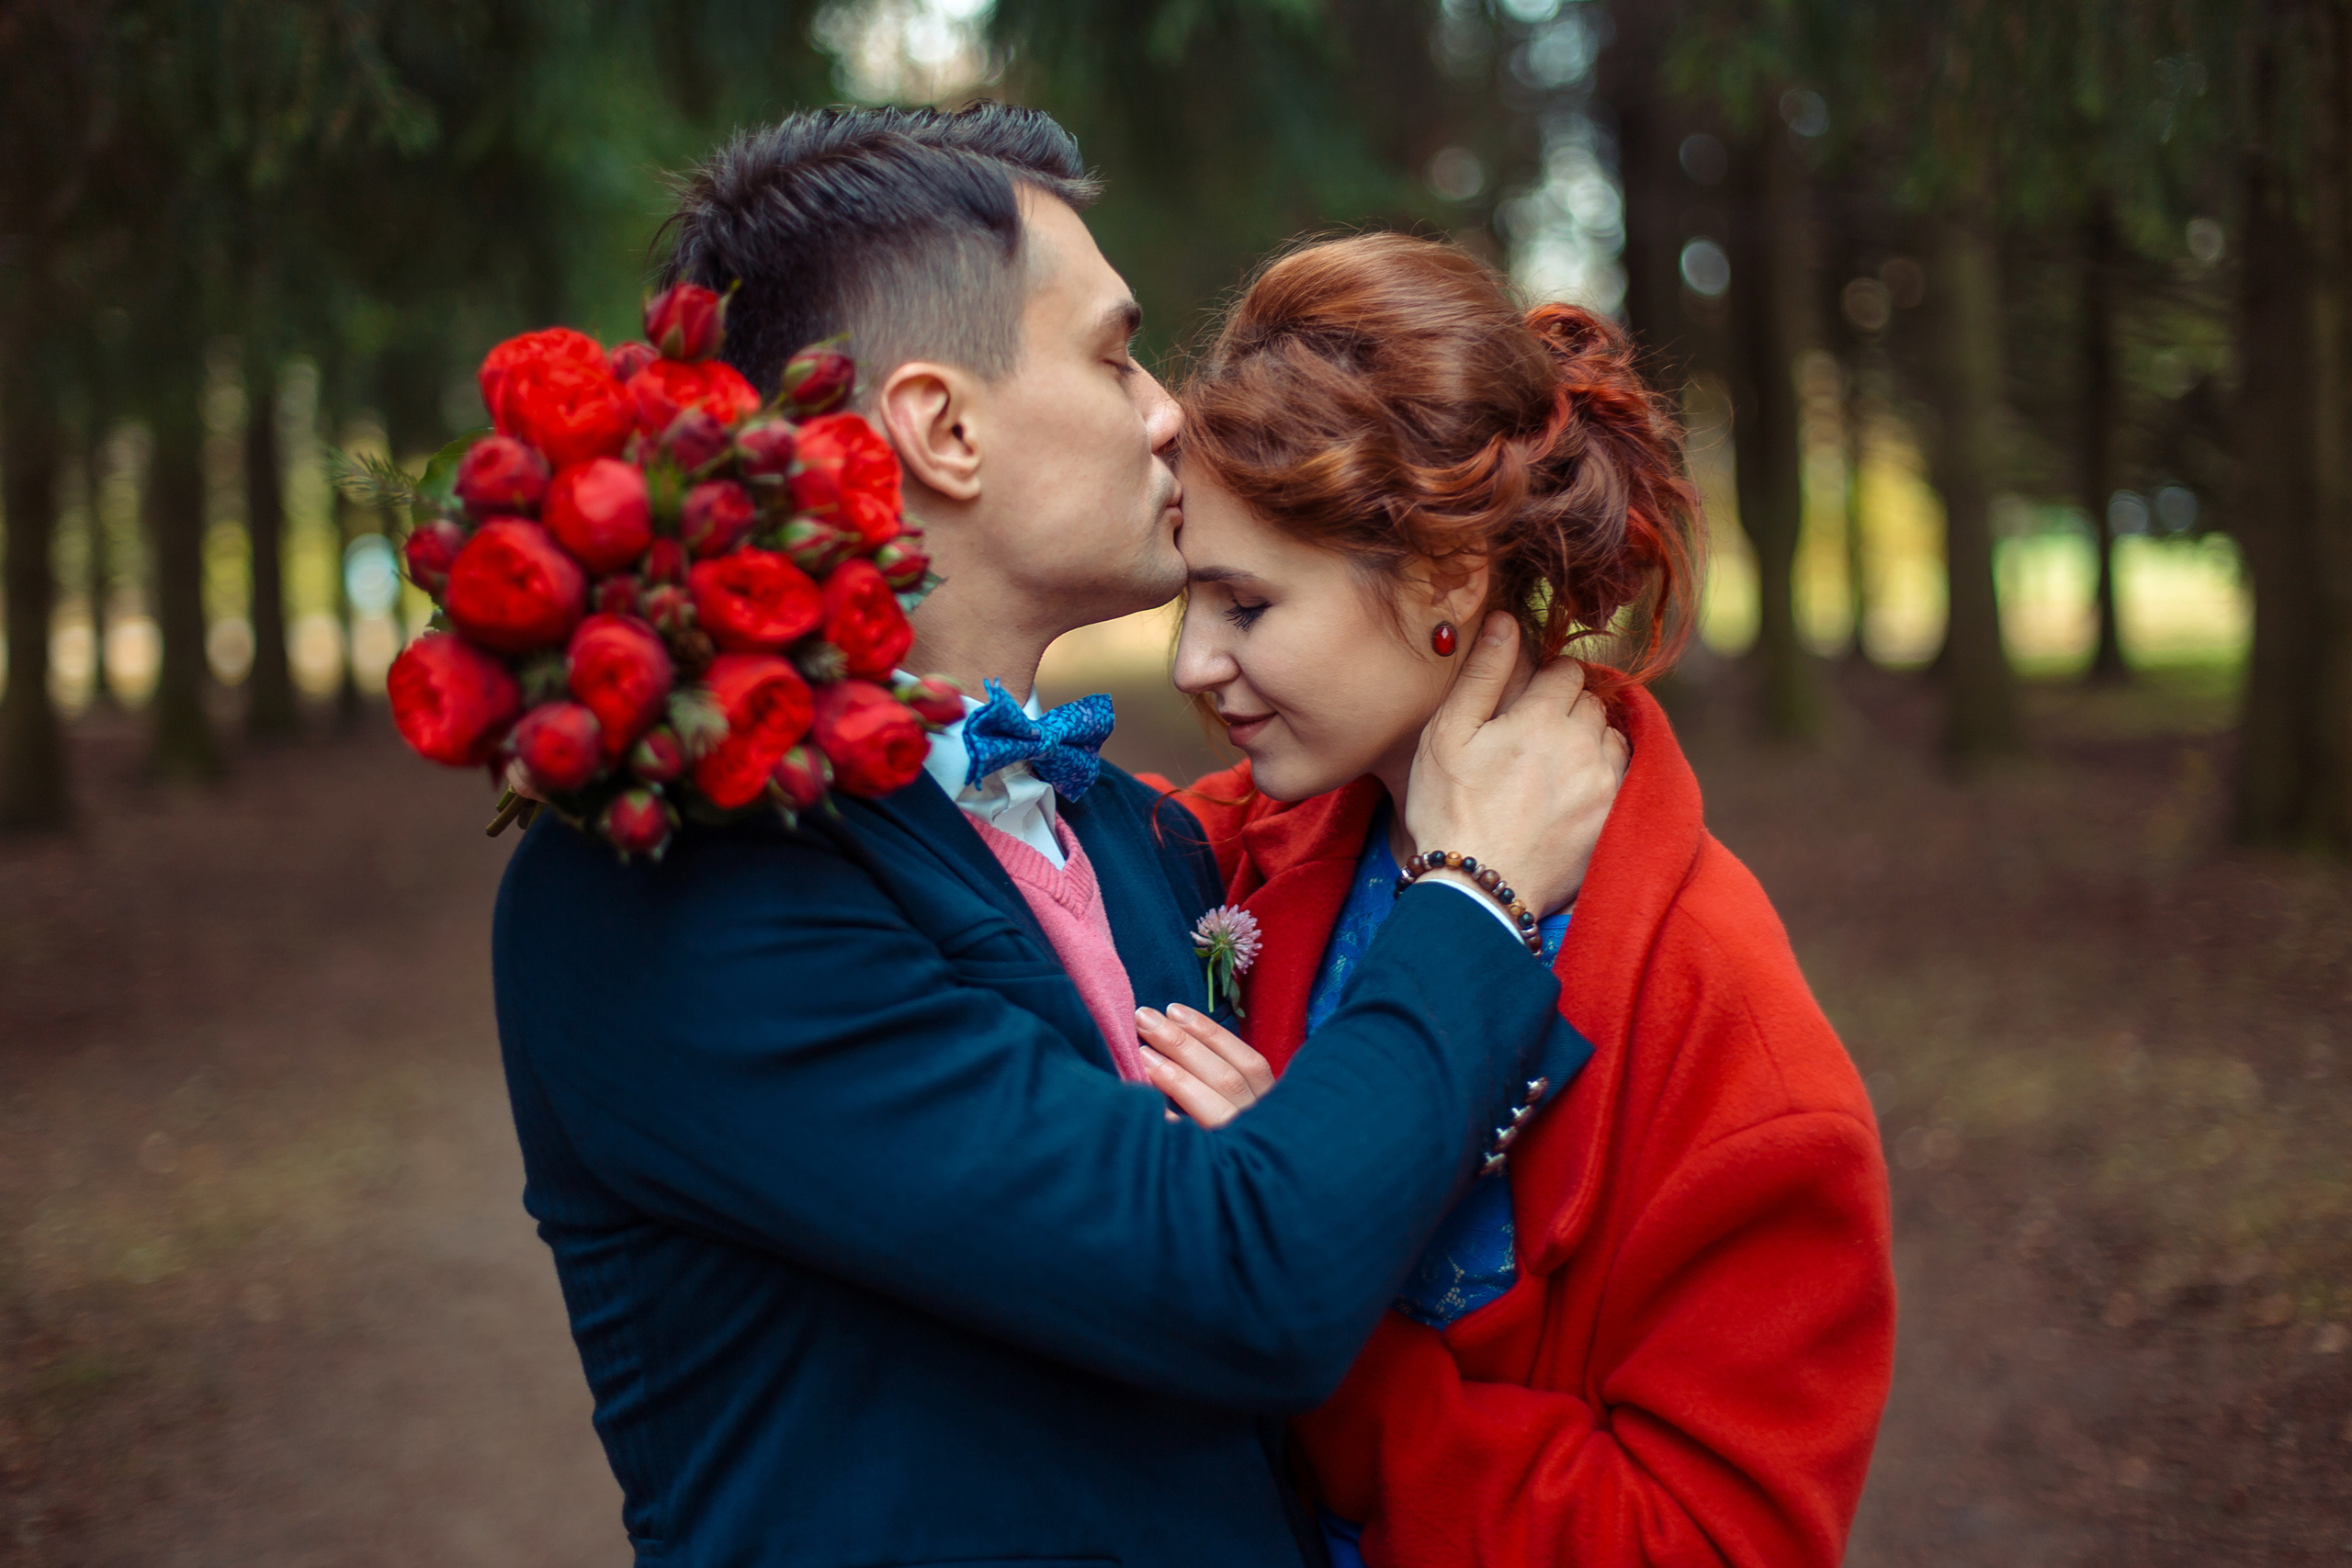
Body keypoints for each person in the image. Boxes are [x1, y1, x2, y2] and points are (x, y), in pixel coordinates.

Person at [492, 107, 1629, 1566]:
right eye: (1111, 354)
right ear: (942, 429)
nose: (1169, 410)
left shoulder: (1141, 834)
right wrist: (1472, 896)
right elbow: (1242, 1282)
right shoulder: (678, 889)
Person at [1141, 232, 1897, 1568]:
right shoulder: (1218, 854)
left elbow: (1713, 1543)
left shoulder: (1723, 1028)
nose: (1195, 662)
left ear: (1443, 578)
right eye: (1188, 599)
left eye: (1247, 605)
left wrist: (1302, 1281)